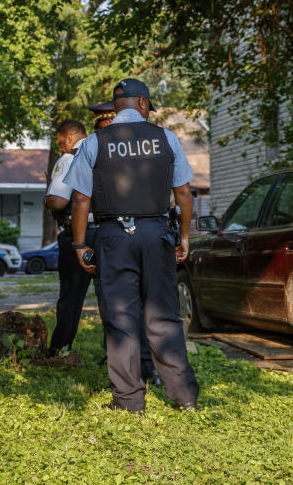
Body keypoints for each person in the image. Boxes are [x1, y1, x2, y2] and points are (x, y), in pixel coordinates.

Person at [63, 78, 198, 413]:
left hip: (112, 236)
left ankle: (128, 401)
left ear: (115, 107)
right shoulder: (167, 138)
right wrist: (183, 237)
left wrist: (80, 244)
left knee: (120, 317)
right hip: (156, 233)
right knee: (164, 315)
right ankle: (184, 397)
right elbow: (183, 194)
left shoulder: (94, 142)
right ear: (142, 104)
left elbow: (80, 199)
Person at [44, 120, 159, 387]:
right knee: (115, 300)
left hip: (82, 233)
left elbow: (60, 200)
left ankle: (59, 348)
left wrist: (47, 200)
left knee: (71, 296)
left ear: (70, 137)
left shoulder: (71, 157)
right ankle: (124, 357)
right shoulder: (111, 151)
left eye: (60, 140)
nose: (60, 145)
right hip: (116, 233)